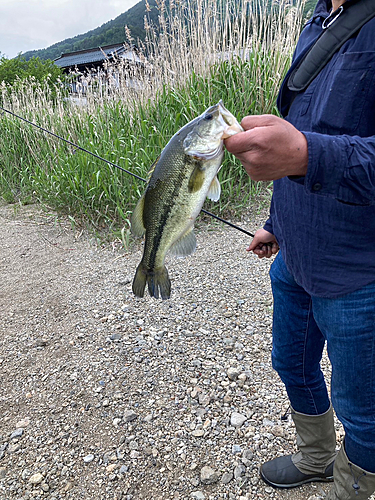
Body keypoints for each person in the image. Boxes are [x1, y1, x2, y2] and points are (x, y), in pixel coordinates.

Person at [224, 0, 375, 498]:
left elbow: (306, 147)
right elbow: (301, 129)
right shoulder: (318, 18)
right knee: (292, 363)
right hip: (295, 254)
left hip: (358, 270)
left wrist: (306, 154)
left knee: (364, 411)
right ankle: (315, 456)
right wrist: (276, 222)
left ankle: (352, 488)